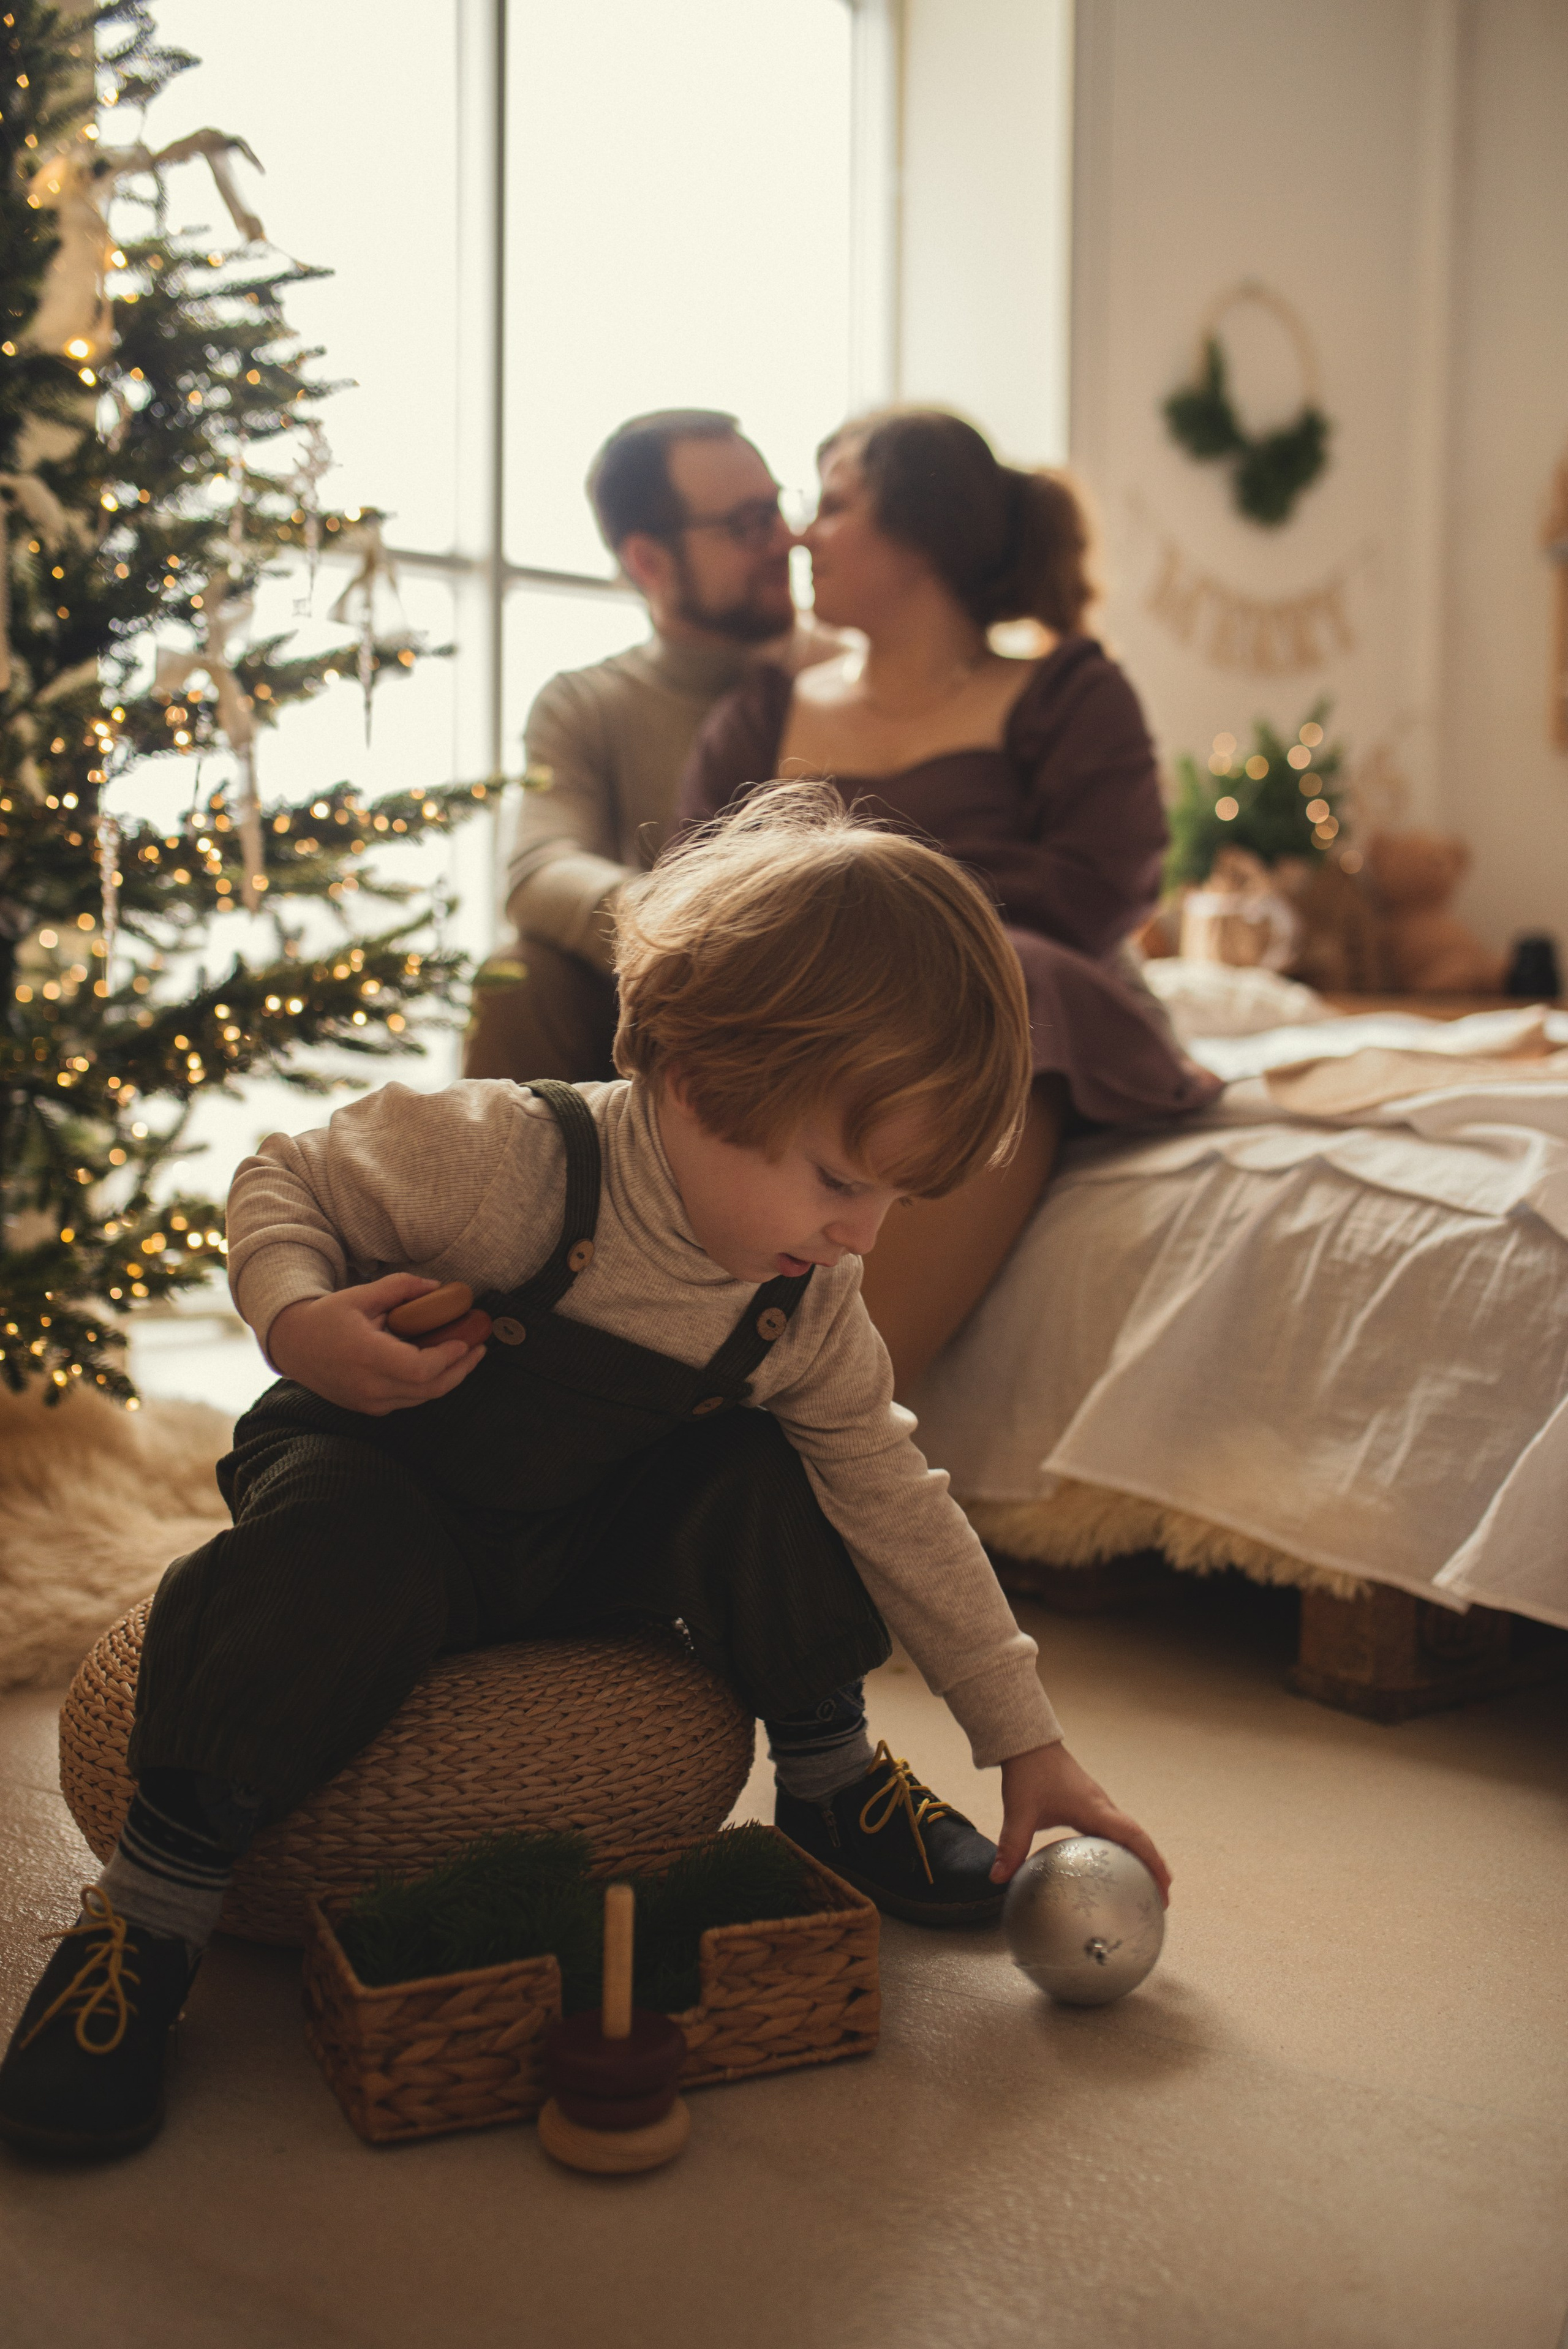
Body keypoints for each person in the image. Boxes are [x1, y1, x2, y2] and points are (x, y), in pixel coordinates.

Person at [0, 783, 1169, 2162]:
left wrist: (1026, 1741)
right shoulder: (506, 1161)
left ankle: (831, 1777)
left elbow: (897, 1505)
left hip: (578, 1540)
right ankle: (152, 1909)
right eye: (837, 1180)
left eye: (895, 1199)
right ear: (691, 1080)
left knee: (772, 1467)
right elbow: (283, 1176)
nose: (861, 1235)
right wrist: (300, 1319)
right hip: (393, 1487)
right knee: (326, 1558)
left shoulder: (803, 1303)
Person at [677, 407, 1221, 1396]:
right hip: (801, 1018)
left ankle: (824, 1423)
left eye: (834, 506)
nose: (802, 535)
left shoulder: (1067, 695)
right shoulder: (759, 718)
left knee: (1003, 978)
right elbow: (693, 906)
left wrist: (893, 931)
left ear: (921, 527)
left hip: (1024, 1009)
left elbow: (1099, 892)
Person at [465, 407, 840, 1082]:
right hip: (666, 1000)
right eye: (747, 525)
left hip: (827, 1008)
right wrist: (696, 933)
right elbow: (539, 869)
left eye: (779, 510)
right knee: (518, 974)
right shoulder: (585, 703)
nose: (788, 541)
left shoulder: (851, 678)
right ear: (647, 559)